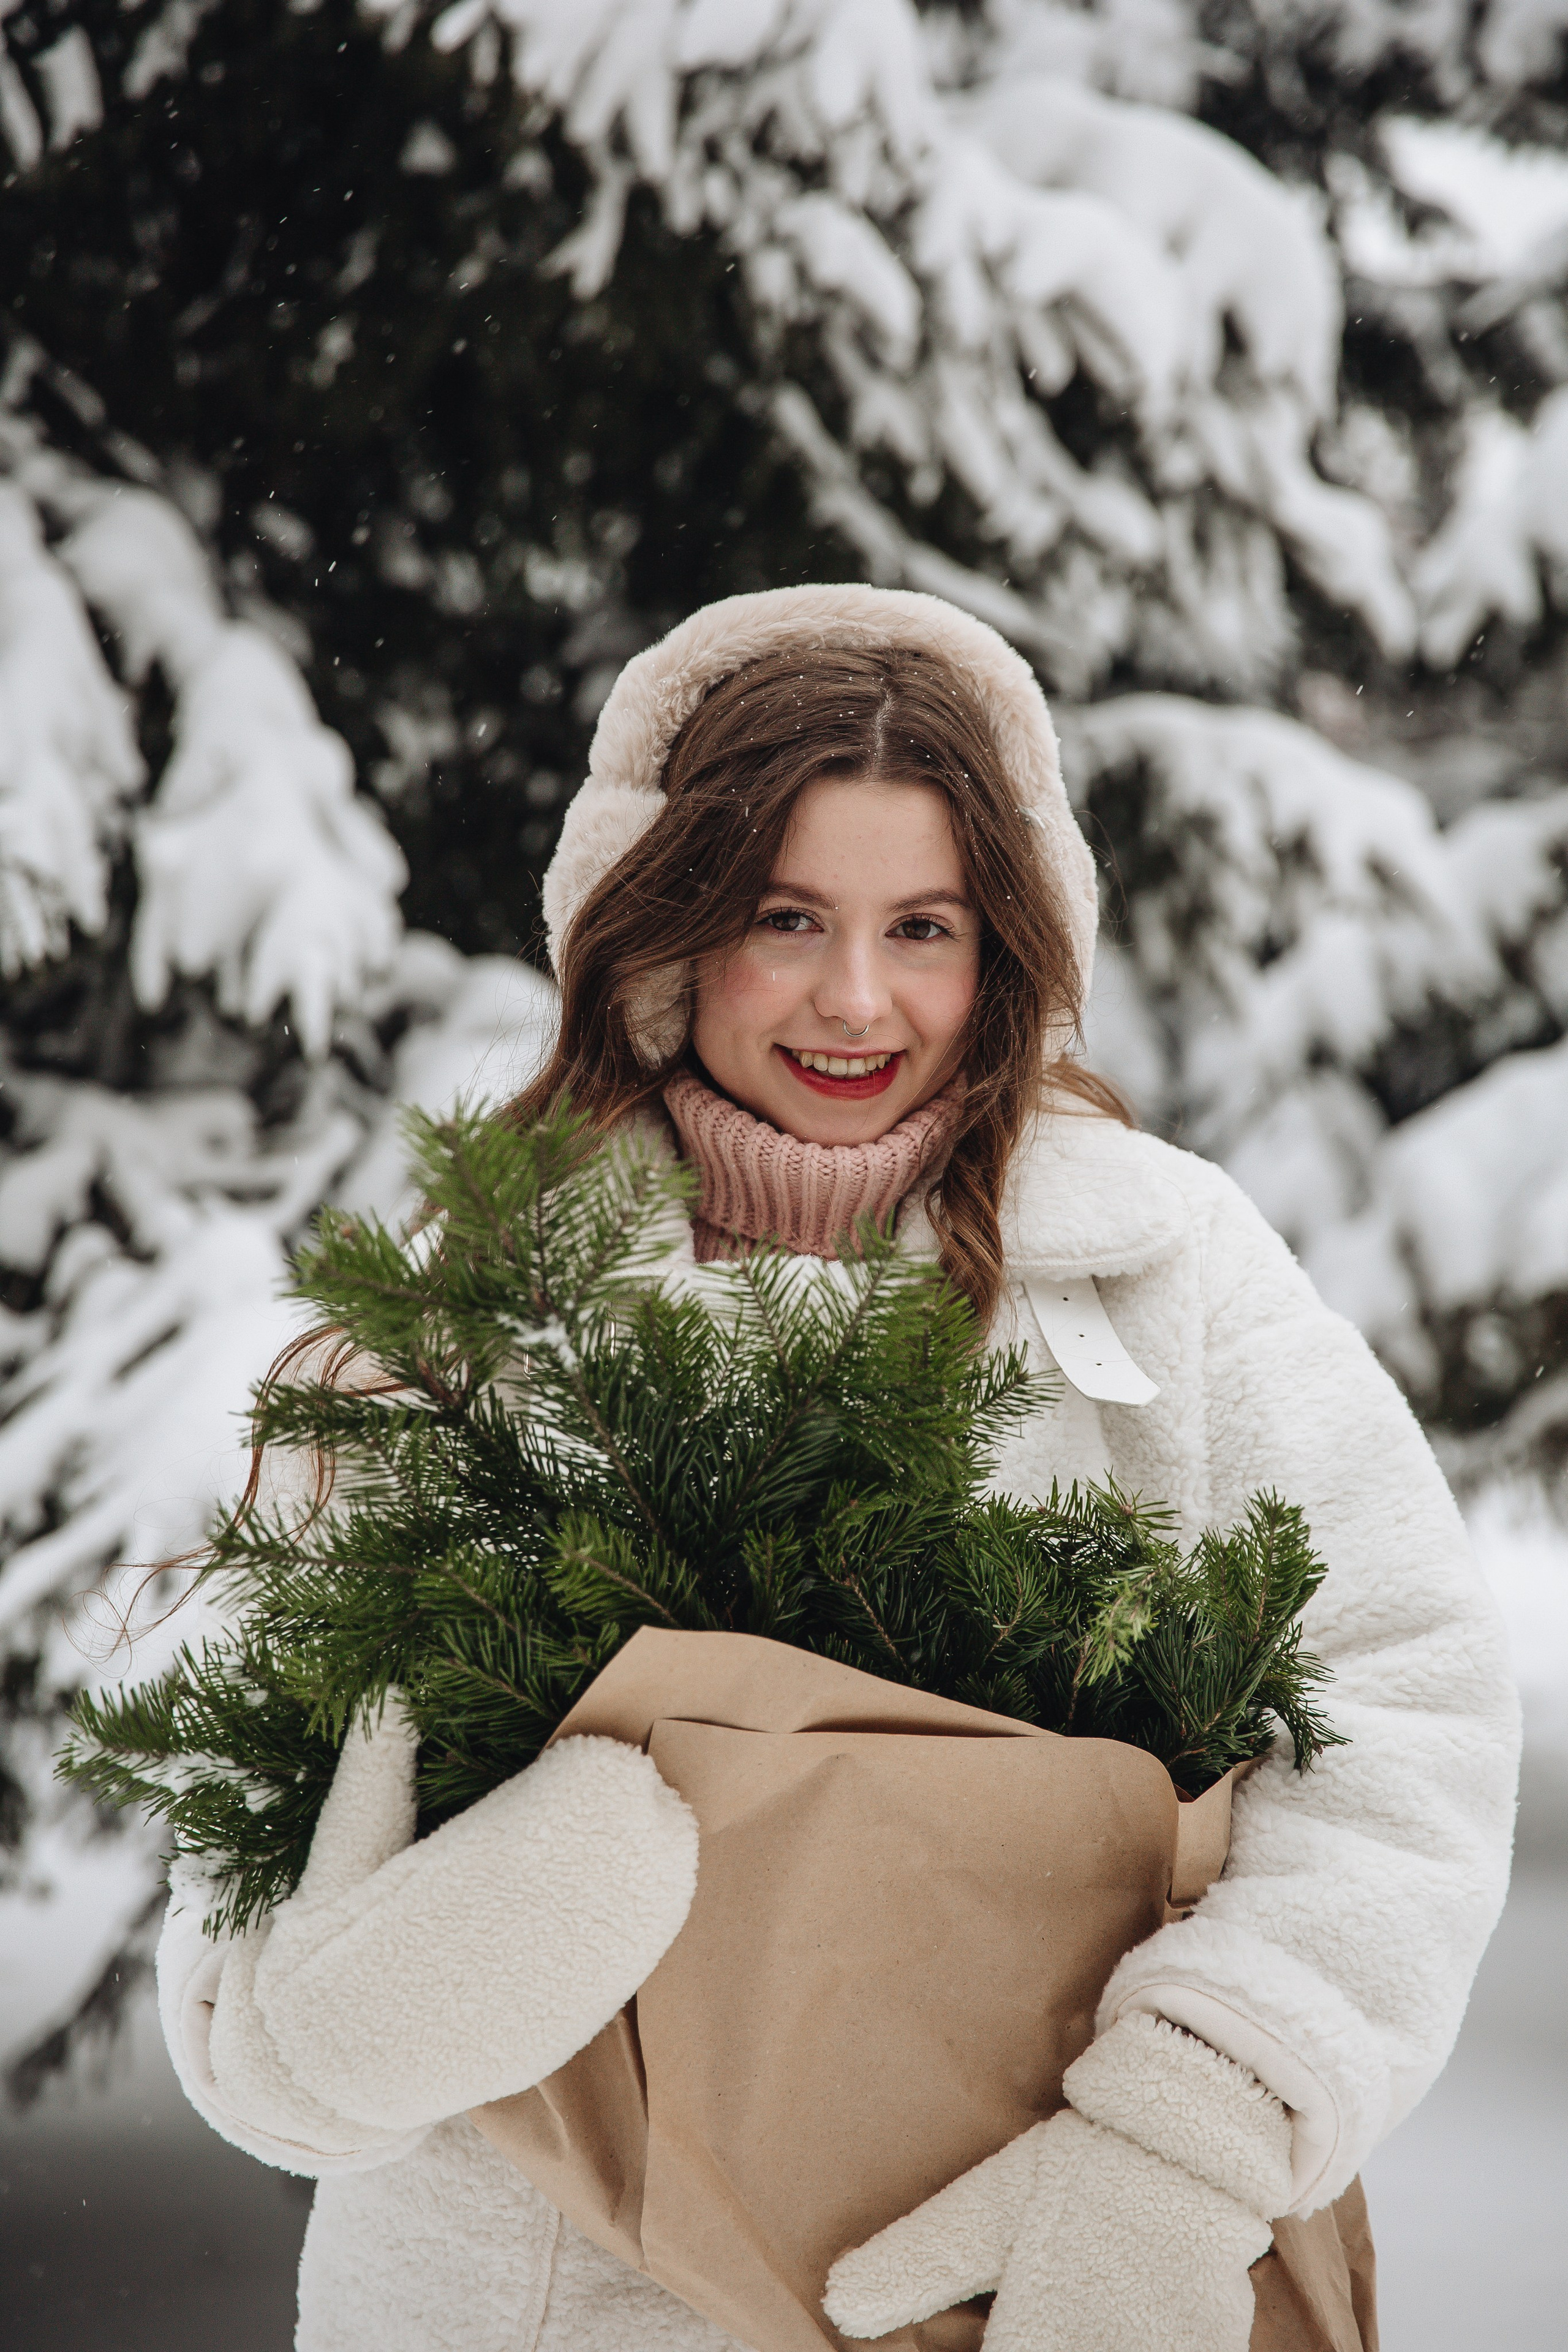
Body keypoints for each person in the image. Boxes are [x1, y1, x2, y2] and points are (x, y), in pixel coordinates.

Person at [156, 585, 1520, 2352]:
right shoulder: (480, 1300)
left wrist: (1193, 2129)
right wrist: (344, 2024)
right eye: (785, 915)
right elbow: (242, 1889)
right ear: (665, 930)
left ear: (1006, 945)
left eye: (926, 926)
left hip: (1015, 2277)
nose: (858, 998)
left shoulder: (1172, 1270)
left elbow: (1402, 1719)